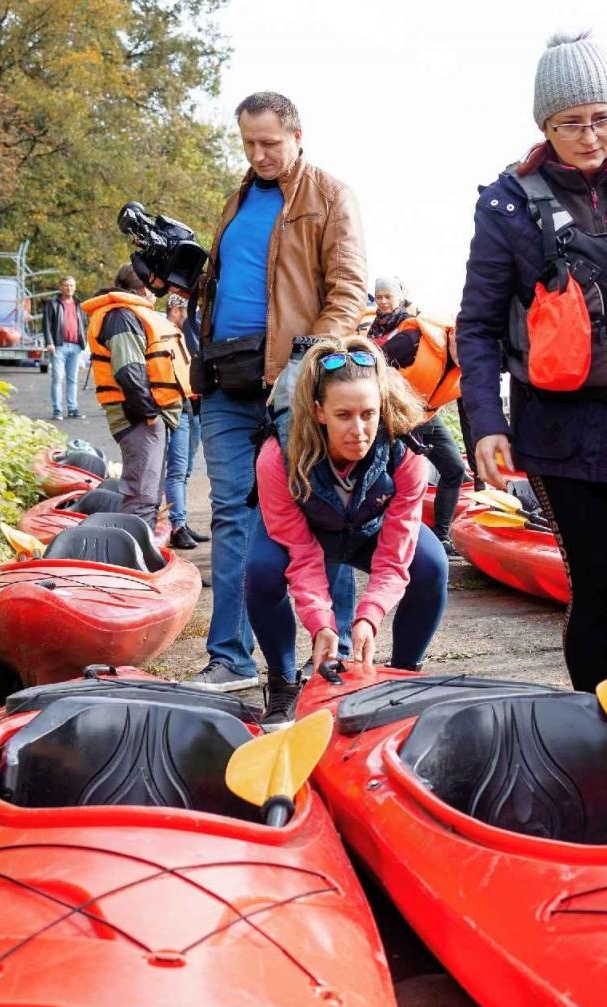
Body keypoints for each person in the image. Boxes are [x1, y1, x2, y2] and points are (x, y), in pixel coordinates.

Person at [457, 30, 607, 695]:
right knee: (596, 580)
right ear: (545, 124)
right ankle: (599, 727)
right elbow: (477, 326)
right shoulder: (506, 205)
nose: (590, 135)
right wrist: (485, 421)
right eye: (571, 123)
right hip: (561, 428)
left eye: (601, 118)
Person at [188, 90, 367, 695]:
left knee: (322, 517)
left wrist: (308, 362)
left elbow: (349, 292)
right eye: (248, 144)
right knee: (230, 512)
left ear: (296, 135)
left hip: (293, 384)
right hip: (224, 380)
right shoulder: (236, 199)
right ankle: (231, 658)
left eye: (269, 143)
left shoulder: (331, 196)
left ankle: (331, 658)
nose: (259, 154)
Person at [256, 336, 448, 721]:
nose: (359, 430)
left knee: (432, 564)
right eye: (344, 415)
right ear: (319, 412)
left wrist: (369, 616)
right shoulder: (277, 457)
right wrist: (322, 625)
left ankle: (402, 675)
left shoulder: (405, 453)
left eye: (368, 414)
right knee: (260, 569)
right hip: (310, 532)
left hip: (368, 530)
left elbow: (395, 556)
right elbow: (301, 553)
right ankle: (281, 682)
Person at [367, 275, 468, 551]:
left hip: (426, 417)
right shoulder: (412, 340)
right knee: (386, 477)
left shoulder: (470, 364)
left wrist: (481, 478)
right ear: (451, 333)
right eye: (463, 342)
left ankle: (441, 535)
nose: (467, 351)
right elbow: (371, 368)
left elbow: (469, 414)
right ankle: (377, 536)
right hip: (393, 417)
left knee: (454, 469)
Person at [82, 266, 185, 527]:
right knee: (142, 494)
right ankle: (132, 555)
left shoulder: (127, 314)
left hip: (145, 416)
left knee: (148, 493)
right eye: (154, 287)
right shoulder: (121, 316)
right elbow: (129, 371)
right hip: (138, 417)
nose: (157, 294)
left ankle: (140, 547)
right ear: (143, 288)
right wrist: (150, 414)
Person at [164, 295, 208, 549]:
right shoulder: (166, 333)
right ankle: (176, 525)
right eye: (187, 311)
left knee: (187, 468)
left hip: (194, 405)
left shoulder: (184, 333)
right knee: (177, 470)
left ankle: (182, 520)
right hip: (177, 406)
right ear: (175, 309)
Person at [41, 275, 87, 420]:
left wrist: (83, 341)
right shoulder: (52, 303)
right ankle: (57, 410)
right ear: (61, 287)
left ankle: (73, 409)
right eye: (66, 285)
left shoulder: (79, 304)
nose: (69, 288)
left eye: (72, 285)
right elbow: (47, 324)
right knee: (57, 379)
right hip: (58, 346)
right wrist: (49, 342)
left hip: (75, 347)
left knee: (72, 380)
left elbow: (84, 324)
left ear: (75, 287)